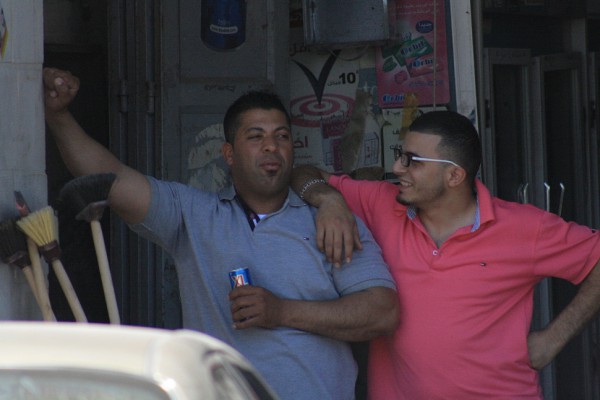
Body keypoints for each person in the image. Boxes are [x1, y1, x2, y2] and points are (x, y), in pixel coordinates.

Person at [42, 67, 399, 400]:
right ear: (228, 153)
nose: (271, 146)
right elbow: (108, 176)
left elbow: (382, 312)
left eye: (282, 136)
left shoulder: (331, 220)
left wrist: (281, 311)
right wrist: (58, 116)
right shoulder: (194, 215)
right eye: (255, 137)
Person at [291, 110, 600, 399]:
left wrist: (552, 340)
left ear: (454, 176)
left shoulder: (524, 227)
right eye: (400, 154)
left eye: (413, 161)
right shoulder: (382, 203)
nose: (397, 168)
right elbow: (303, 173)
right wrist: (329, 200)